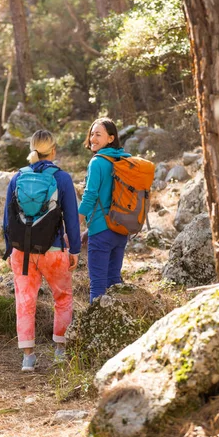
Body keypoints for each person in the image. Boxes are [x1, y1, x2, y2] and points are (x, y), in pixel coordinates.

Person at [3, 130, 80, 371]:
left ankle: (28, 357)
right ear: (53, 150)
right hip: (54, 250)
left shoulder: (17, 178)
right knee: (63, 298)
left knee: (25, 302)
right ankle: (60, 350)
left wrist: (8, 250)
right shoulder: (62, 178)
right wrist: (74, 249)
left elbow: (7, 219)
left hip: (22, 253)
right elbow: (71, 218)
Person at [78, 117, 131, 303]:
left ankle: (95, 329)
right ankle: (119, 326)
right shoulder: (125, 159)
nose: (93, 138)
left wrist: (76, 220)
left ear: (111, 138)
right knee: (114, 281)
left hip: (101, 232)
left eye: (98, 134)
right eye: (92, 134)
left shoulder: (97, 162)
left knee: (98, 285)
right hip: (121, 229)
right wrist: (87, 230)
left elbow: (90, 195)